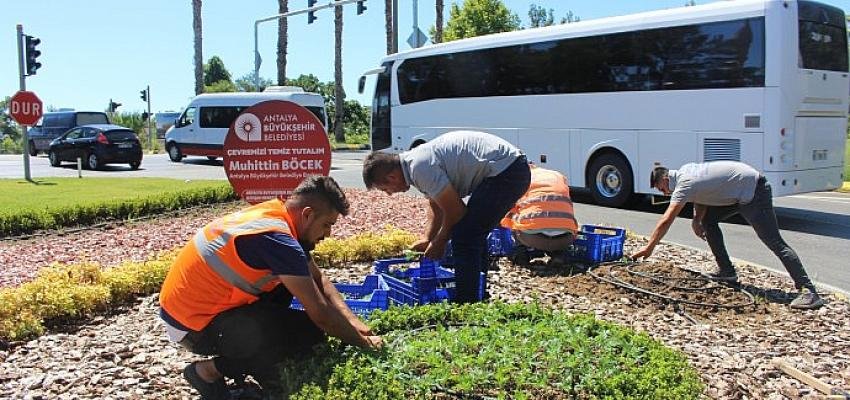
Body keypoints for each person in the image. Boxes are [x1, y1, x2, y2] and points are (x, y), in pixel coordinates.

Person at [159, 176, 382, 400]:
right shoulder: (277, 239)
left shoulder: (276, 216)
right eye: (327, 224)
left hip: (196, 314)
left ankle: (254, 360)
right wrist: (364, 344)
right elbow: (321, 314)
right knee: (307, 334)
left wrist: (353, 322)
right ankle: (207, 372)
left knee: (296, 294)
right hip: (194, 327)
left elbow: (318, 279)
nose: (328, 234)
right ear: (307, 214)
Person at [362, 130, 531, 303]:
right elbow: (436, 205)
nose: (389, 194)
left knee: (465, 236)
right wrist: (428, 238)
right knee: (471, 232)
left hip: (508, 172)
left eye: (385, 189)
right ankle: (476, 292)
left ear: (392, 177)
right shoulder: (413, 163)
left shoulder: (420, 167)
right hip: (507, 168)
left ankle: (467, 301)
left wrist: (440, 241)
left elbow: (456, 211)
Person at [632, 161, 823, 310]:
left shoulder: (683, 183)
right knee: (708, 221)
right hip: (740, 190)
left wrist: (649, 248)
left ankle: (808, 290)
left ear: (664, 179)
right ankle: (727, 272)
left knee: (774, 242)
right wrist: (697, 220)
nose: (664, 193)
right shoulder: (686, 171)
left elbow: (666, 220)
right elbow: (702, 195)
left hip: (754, 191)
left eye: (661, 188)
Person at [500, 165, 578, 264]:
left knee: (513, 218)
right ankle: (558, 254)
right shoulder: (558, 176)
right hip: (565, 239)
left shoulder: (521, 177)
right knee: (559, 219)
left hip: (533, 238)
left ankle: (521, 253)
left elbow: (507, 210)